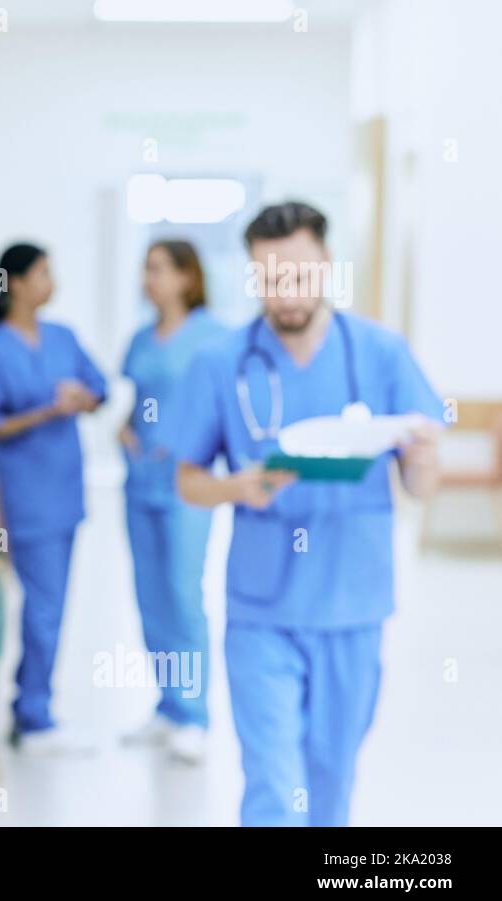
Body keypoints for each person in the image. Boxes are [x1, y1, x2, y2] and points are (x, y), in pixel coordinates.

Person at [169, 202, 441, 826]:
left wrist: (425, 456)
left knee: (329, 785)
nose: (284, 290)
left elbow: (420, 484)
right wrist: (235, 488)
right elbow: (187, 481)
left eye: (297, 272)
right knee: (273, 784)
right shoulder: (221, 362)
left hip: (354, 604)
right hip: (263, 608)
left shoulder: (381, 352)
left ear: (326, 265)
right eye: (267, 277)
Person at [0, 243, 108, 753]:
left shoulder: (64, 338)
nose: (53, 282)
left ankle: (32, 708)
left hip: (67, 490)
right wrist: (45, 412)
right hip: (28, 497)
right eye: (44, 273)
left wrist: (82, 399)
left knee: (52, 605)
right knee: (44, 608)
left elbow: (101, 389)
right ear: (18, 283)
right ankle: (33, 714)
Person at [119, 240, 227, 764]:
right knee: (150, 596)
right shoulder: (140, 338)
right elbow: (134, 402)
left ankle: (194, 714)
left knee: (184, 595)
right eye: (146, 268)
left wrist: (186, 439)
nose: (148, 277)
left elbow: (222, 406)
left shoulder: (214, 337)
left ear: (188, 276)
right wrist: (124, 429)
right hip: (139, 482)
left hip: (188, 484)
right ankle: (167, 704)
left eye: (158, 268)